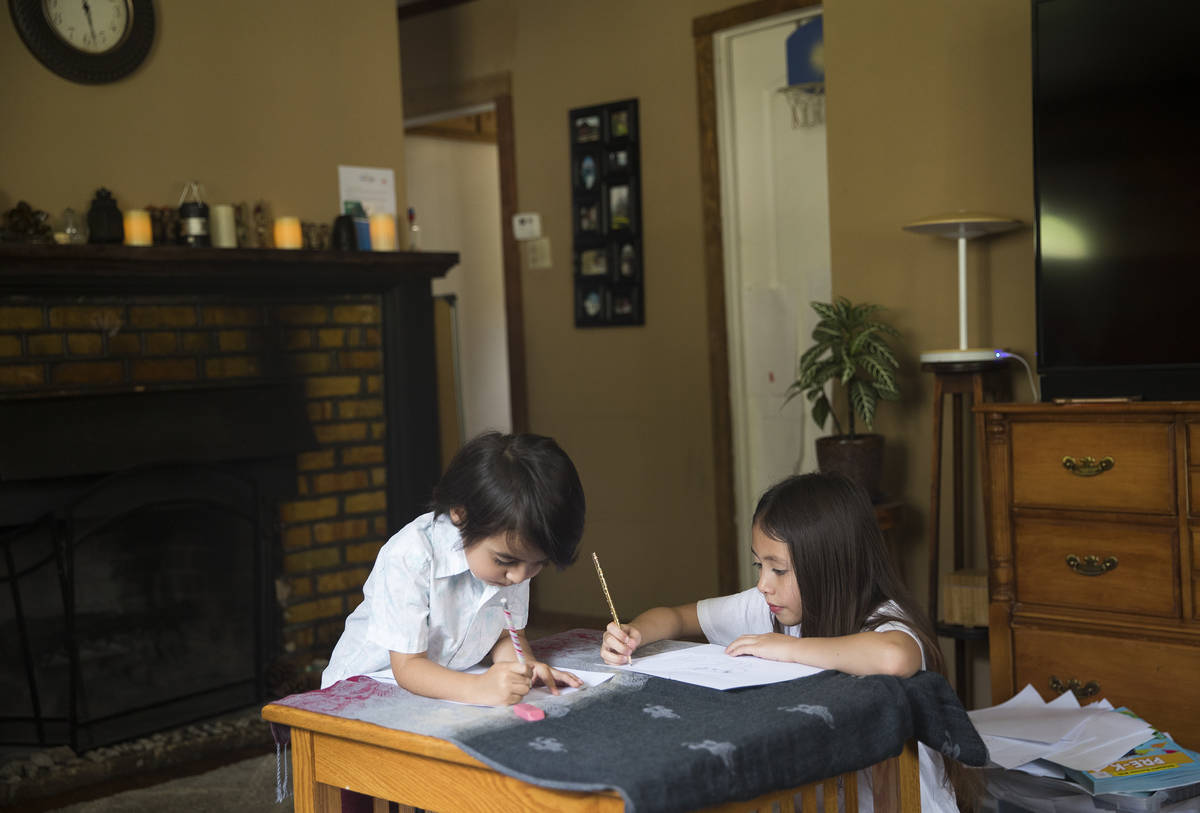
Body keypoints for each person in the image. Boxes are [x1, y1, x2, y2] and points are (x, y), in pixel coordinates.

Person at [600, 472, 976, 813]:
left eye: (778, 569)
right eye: (758, 566)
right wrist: (635, 632)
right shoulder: (771, 606)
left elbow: (895, 657)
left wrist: (788, 649)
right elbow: (677, 617)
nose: (764, 583)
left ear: (830, 567)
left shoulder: (882, 619)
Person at [322, 431, 586, 706]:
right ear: (460, 514)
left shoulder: (515, 559)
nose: (520, 576)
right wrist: (479, 688)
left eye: (538, 564)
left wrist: (525, 668)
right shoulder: (411, 555)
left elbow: (507, 634)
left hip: (443, 689)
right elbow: (408, 666)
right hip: (363, 691)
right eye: (505, 562)